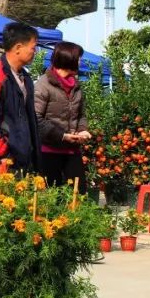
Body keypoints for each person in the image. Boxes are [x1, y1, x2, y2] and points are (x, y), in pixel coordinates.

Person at [0, 22, 41, 173]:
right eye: (33, 47)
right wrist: (3, 154)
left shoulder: (25, 78)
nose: (35, 52)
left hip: (25, 159)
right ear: (18, 48)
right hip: (5, 162)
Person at [34, 41, 91, 193]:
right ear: (68, 58)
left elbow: (80, 114)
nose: (80, 61)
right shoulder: (43, 85)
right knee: (52, 196)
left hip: (72, 150)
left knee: (79, 194)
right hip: (49, 151)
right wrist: (62, 136)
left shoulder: (76, 86)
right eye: (78, 58)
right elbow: (36, 118)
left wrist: (82, 130)